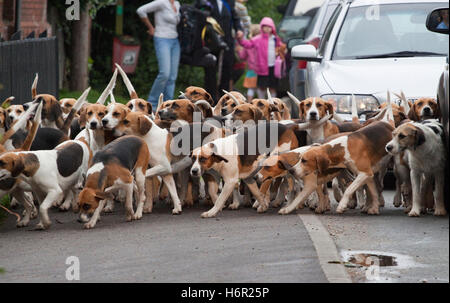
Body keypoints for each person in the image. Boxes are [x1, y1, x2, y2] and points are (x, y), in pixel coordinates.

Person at [137, 0, 181, 110]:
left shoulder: (176, 3)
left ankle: (168, 105)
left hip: (175, 40)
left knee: (172, 77)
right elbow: (141, 11)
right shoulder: (161, 2)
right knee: (164, 73)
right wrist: (151, 28)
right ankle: (151, 104)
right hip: (162, 38)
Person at [201, 0, 244, 104]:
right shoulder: (206, 2)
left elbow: (235, 18)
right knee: (210, 71)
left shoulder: (229, 2)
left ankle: (223, 100)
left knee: (227, 71)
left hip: (227, 42)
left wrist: (239, 29)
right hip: (211, 43)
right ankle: (210, 100)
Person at [237, 17, 285, 99]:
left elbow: (282, 48)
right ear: (262, 27)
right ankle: (261, 102)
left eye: (269, 26)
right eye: (265, 26)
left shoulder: (276, 39)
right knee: (261, 87)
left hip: (274, 67)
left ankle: (273, 103)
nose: (267, 28)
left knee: (273, 87)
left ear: (272, 27)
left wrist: (282, 50)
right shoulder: (257, 39)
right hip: (262, 68)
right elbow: (248, 44)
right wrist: (240, 39)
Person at [238, 24, 260, 101]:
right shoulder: (262, 42)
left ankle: (249, 104)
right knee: (260, 89)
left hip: (251, 70)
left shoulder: (248, 43)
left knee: (251, 89)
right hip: (262, 70)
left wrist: (239, 50)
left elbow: (242, 57)